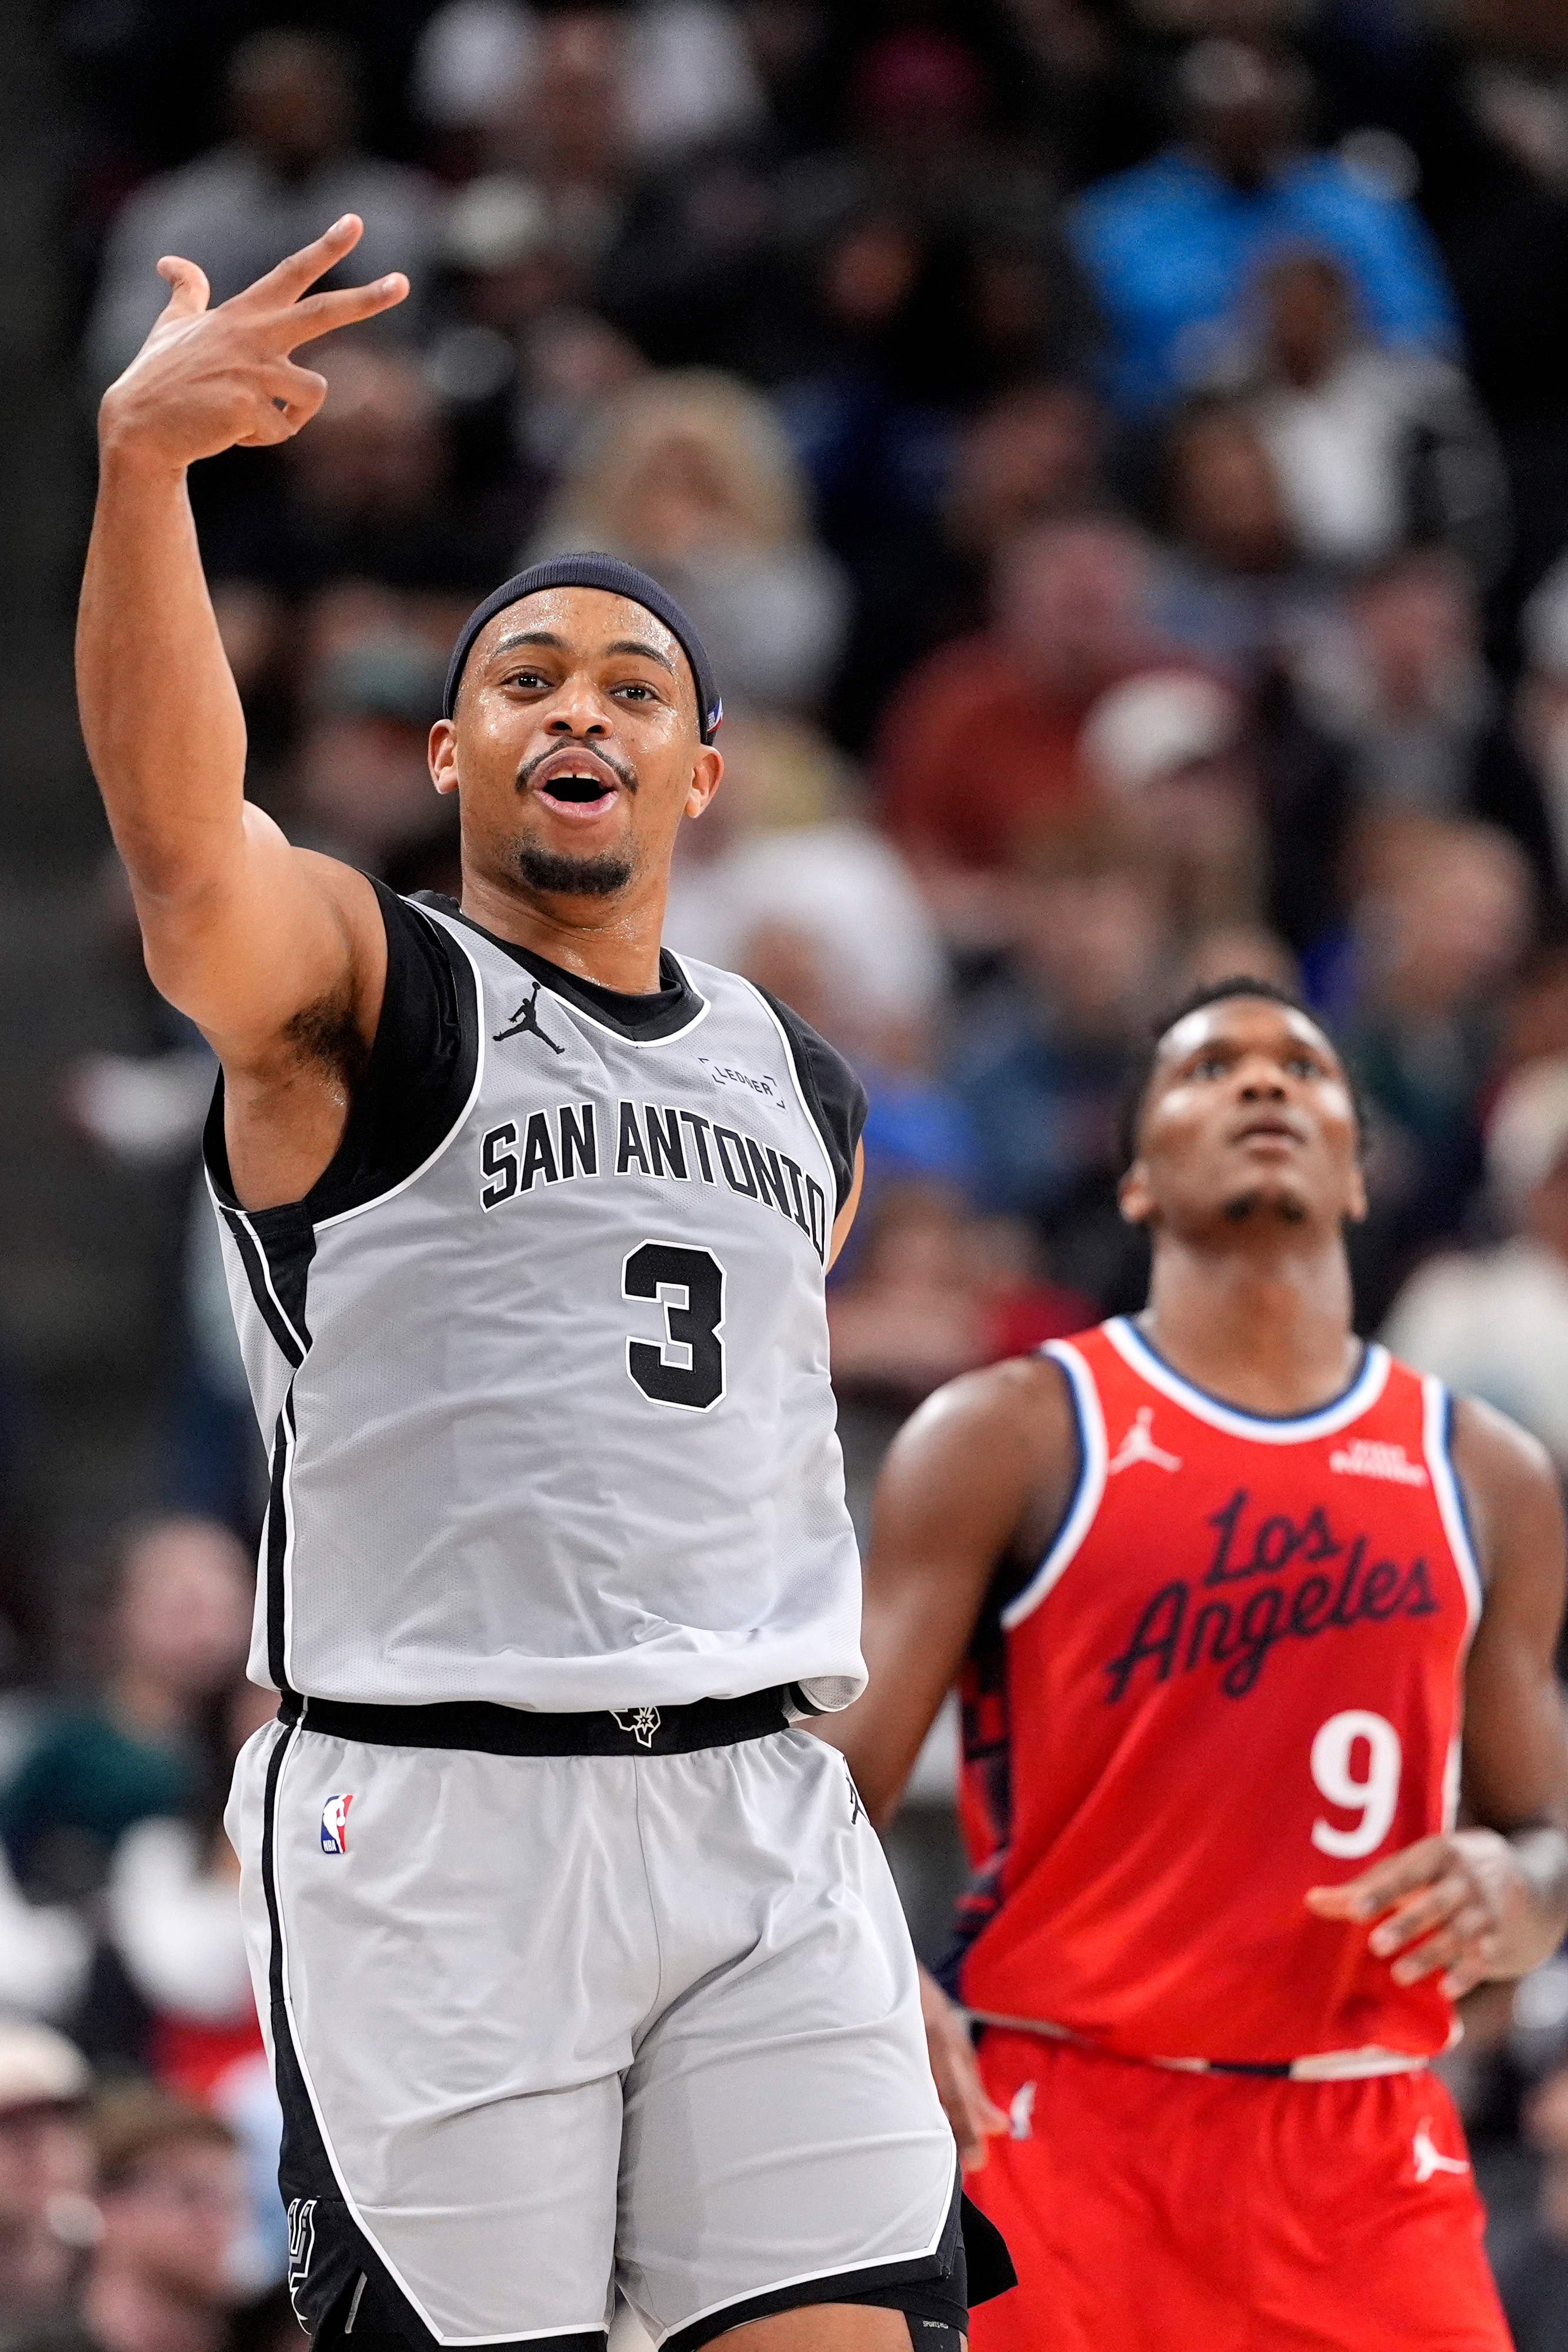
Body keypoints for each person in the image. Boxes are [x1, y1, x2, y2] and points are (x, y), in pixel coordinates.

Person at [75, 216, 1006, 2352]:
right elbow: (180, 849)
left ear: (698, 772)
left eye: (628, 686)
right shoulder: (366, 988)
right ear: (449, 755)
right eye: (523, 677)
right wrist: (147, 481)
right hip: (441, 1821)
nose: (572, 704)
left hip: (761, 1806)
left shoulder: (809, 1079)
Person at [820, 976, 1568, 2350]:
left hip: (1367, 2134)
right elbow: (821, 1797)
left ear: (1357, 1167)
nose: (1264, 1084)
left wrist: (1511, 1887)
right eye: (1208, 1067)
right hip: (1063, 2122)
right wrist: (882, 1976)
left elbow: (1544, 1843)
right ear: (1135, 1182)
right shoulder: (1012, 1430)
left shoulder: (1488, 1472)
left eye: (1303, 1068)